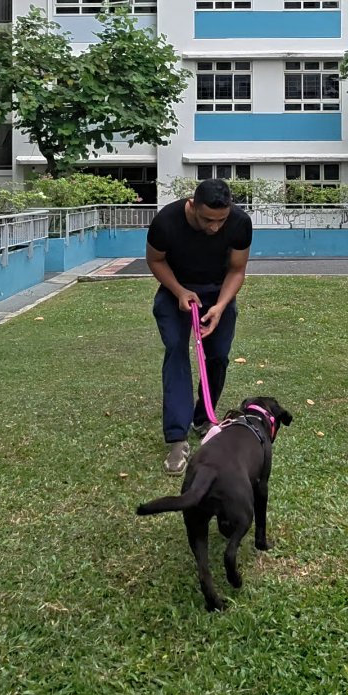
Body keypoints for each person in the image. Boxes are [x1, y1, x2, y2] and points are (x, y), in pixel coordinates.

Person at [146, 178, 253, 474]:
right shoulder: (166, 221)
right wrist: (180, 292)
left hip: (218, 292)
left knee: (218, 355)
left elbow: (237, 269)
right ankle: (178, 437)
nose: (215, 227)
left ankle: (203, 416)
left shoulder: (240, 222)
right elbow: (154, 260)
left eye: (221, 220)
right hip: (175, 291)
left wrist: (220, 305)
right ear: (192, 205)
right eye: (207, 219)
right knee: (177, 352)